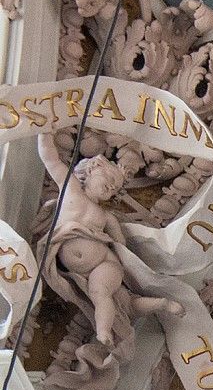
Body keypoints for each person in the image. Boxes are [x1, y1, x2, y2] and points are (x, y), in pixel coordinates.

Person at [34, 137, 179, 361]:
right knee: (123, 304)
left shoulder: (106, 216)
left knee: (100, 294)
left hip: (105, 264)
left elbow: (121, 247)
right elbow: (50, 158)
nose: (111, 188)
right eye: (110, 179)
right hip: (79, 273)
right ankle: (162, 304)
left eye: (115, 189)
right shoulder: (71, 190)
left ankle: (103, 332)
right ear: (92, 170)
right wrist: (43, 128)